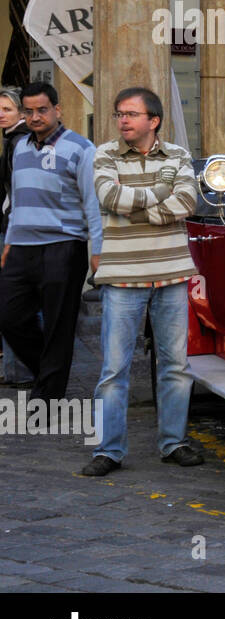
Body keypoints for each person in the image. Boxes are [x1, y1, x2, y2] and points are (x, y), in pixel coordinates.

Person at [81, 87, 202, 477]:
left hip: (171, 274)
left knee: (176, 366)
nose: (123, 121)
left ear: (154, 121)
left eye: (131, 114)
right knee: (114, 370)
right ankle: (109, 450)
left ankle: (174, 443)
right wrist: (159, 195)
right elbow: (108, 197)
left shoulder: (179, 155)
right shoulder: (105, 154)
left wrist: (142, 210)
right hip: (122, 278)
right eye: (119, 114)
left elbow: (186, 202)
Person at [0, 82, 101, 402]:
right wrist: (10, 241)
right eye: (28, 111)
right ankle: (49, 371)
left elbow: (93, 204)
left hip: (64, 246)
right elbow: (16, 199)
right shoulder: (20, 148)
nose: (35, 116)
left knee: (58, 324)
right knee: (8, 316)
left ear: (57, 110)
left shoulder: (81, 148)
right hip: (21, 247)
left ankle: (48, 397)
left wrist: (97, 249)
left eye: (42, 110)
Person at [0, 86, 32, 388]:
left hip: (17, 229)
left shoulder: (19, 140)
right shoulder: (14, 138)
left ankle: (20, 370)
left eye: (7, 109)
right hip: (16, 226)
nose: (0, 114)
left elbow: (18, 191)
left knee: (14, 301)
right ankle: (17, 369)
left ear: (21, 113)